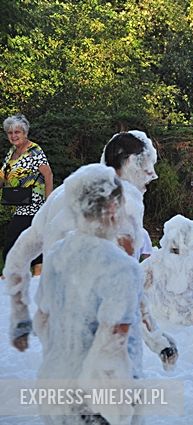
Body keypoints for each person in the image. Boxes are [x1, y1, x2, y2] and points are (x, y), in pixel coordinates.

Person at [4, 131, 177, 373]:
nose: (153, 175)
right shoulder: (124, 206)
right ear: (129, 163)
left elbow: (20, 253)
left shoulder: (63, 193)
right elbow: (127, 285)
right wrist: (156, 339)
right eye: (148, 167)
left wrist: (20, 314)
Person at [34, 164, 143, 424]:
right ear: (114, 209)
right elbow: (113, 343)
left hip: (54, 379)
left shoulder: (56, 255)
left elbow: (43, 319)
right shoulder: (122, 267)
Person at [1, 114, 53, 276]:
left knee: (13, 240)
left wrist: (48, 203)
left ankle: (10, 274)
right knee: (33, 240)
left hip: (34, 204)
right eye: (10, 133)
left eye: (17, 132)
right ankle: (37, 275)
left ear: (25, 133)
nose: (14, 136)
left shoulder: (34, 151)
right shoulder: (12, 152)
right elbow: (3, 174)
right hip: (19, 203)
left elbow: (48, 175)